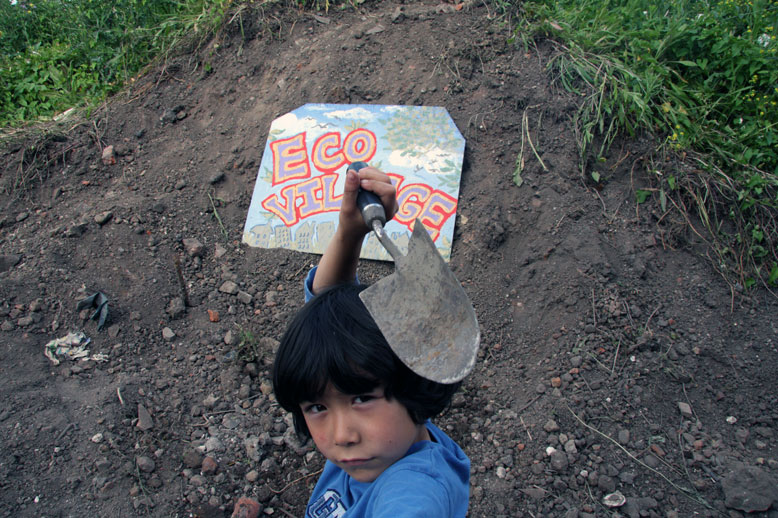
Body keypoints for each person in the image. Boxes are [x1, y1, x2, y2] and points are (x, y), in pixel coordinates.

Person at [272, 164, 470, 518]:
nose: (342, 435)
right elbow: (330, 315)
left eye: (362, 398)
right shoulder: (379, 444)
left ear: (418, 374)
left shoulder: (415, 488)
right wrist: (351, 231)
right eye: (317, 408)